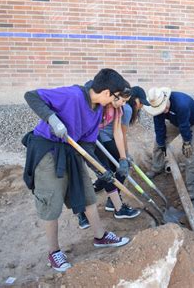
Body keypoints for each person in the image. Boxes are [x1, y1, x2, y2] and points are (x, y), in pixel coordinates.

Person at [22, 68, 131, 272]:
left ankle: (100, 237)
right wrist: (52, 119)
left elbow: (87, 146)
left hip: (72, 151)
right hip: (48, 149)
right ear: (108, 93)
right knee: (51, 202)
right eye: (117, 98)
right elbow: (32, 96)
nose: (116, 103)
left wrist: (100, 171)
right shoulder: (72, 95)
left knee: (88, 196)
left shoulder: (97, 110)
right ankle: (54, 252)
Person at [77, 86, 150, 228]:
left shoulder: (119, 108)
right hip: (93, 141)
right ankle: (84, 211)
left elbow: (118, 131)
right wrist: (125, 156)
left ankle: (114, 203)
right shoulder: (123, 108)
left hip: (99, 139)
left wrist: (124, 157)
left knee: (108, 171)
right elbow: (121, 134)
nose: (141, 106)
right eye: (141, 102)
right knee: (95, 173)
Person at [143, 87, 194, 200]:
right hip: (175, 123)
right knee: (158, 145)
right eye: (160, 109)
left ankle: (192, 189)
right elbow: (159, 126)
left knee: (189, 154)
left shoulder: (181, 104)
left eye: (164, 107)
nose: (163, 111)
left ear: (166, 99)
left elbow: (185, 126)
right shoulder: (157, 107)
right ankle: (157, 167)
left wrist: (187, 142)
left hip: (192, 123)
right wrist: (161, 143)